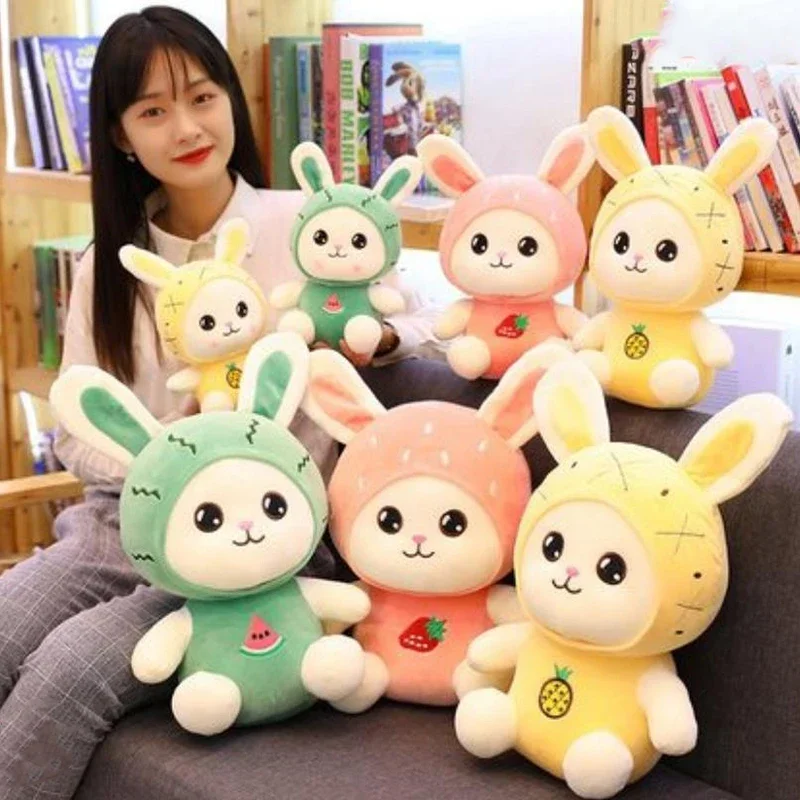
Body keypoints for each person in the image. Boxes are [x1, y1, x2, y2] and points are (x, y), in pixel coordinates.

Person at [0, 7, 437, 798]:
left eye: (202, 97)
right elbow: (75, 427)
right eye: (153, 111)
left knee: (70, 670)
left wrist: (379, 338)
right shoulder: (111, 265)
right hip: (122, 522)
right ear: (122, 136)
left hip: (260, 543)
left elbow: (424, 322)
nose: (187, 127)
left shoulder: (306, 227)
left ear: (232, 99)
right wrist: (164, 464)